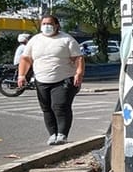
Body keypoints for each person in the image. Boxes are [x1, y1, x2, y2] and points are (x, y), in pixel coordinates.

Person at [17, 15, 84, 146]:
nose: (46, 26)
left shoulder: (67, 40)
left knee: (60, 106)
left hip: (63, 79)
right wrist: (21, 75)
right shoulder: (35, 40)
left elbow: (78, 58)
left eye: (49, 24)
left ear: (57, 25)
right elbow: (26, 59)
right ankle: (53, 134)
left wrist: (79, 73)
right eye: (44, 24)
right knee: (46, 108)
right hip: (41, 80)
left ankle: (62, 134)